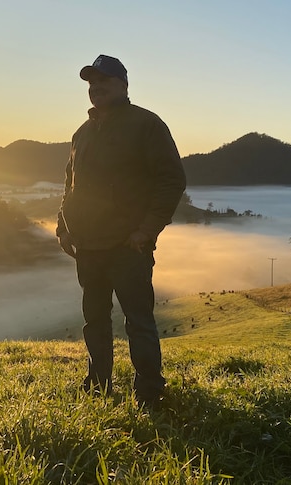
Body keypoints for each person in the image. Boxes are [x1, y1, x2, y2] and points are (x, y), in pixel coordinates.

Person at [56, 54, 186, 407]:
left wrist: (146, 230)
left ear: (123, 85)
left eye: (104, 81)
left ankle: (149, 392)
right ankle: (98, 386)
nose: (96, 88)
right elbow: (70, 186)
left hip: (129, 245)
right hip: (88, 246)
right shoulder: (81, 133)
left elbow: (171, 180)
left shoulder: (147, 124)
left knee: (138, 321)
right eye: (91, 83)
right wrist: (62, 229)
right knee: (94, 320)